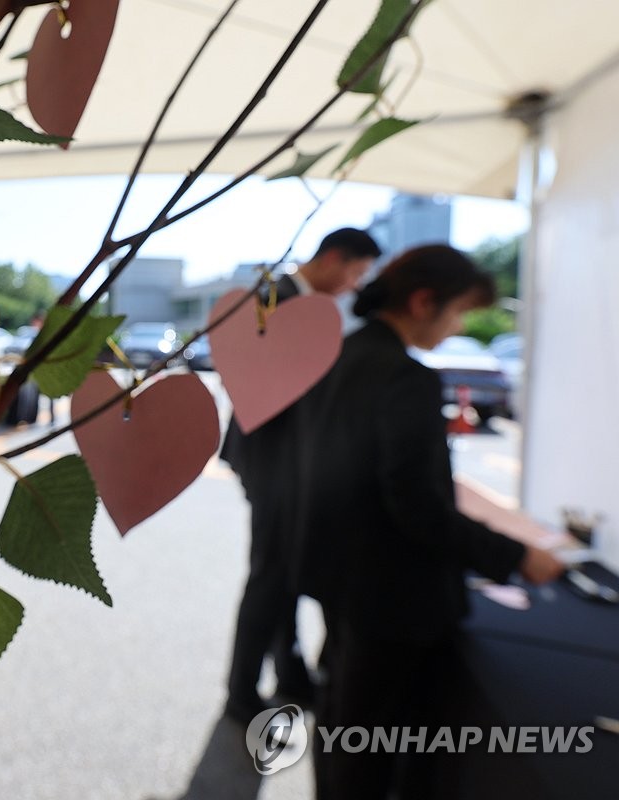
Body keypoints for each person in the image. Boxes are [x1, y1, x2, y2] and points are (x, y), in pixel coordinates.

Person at [294, 244, 564, 799]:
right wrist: (516, 556)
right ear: (423, 302)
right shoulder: (405, 377)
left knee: (343, 719)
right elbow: (417, 505)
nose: (459, 325)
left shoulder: (342, 354)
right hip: (391, 595)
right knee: (373, 741)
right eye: (460, 311)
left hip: (340, 575)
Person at [219, 227, 382, 724]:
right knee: (272, 575)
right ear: (333, 259)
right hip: (274, 462)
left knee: (285, 572)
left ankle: (288, 675)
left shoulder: (306, 304)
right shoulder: (270, 299)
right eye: (355, 273)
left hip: (296, 462)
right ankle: (241, 692)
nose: (355, 286)